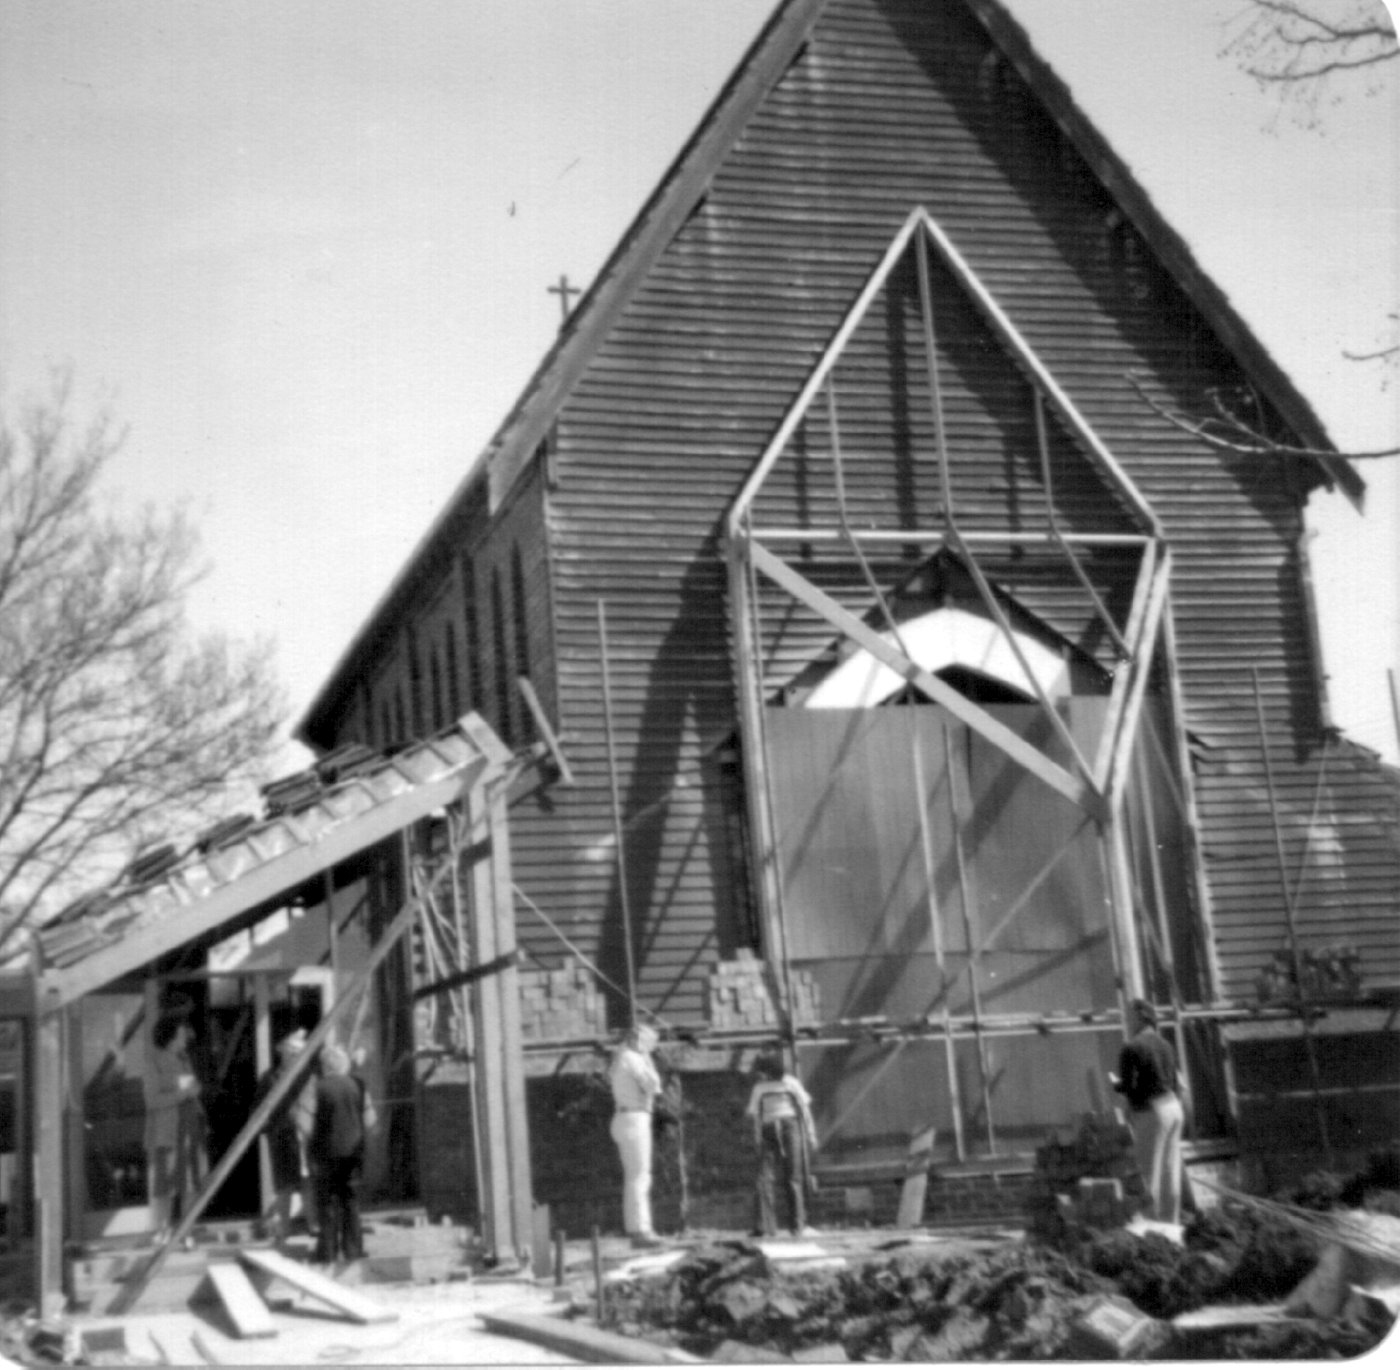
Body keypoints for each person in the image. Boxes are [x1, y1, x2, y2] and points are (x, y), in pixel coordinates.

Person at [1110, 998, 1186, 1224]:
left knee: (1147, 1173)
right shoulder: (1166, 1045)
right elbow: (1175, 1082)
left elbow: (1128, 1087)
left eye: (1129, 1015)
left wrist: (1115, 1085)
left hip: (1152, 1113)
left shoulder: (1131, 1047)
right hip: (1173, 1108)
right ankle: (1171, 1224)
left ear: (1141, 1016)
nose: (1126, 1019)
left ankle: (1151, 1227)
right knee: (1170, 1171)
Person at [144, 1012, 208, 1228]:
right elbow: (151, 1100)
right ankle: (161, 1233)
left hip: (190, 1129)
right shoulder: (154, 1060)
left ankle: (186, 1232)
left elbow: (189, 1088)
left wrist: (196, 1092)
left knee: (191, 1183)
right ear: (169, 1037)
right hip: (168, 1133)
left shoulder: (184, 1059)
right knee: (166, 1186)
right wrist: (183, 1095)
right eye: (181, 1034)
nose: (185, 1039)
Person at [308, 1045, 371, 1264]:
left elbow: (306, 1123)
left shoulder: (317, 1088)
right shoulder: (359, 1085)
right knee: (351, 1201)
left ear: (325, 1065)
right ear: (344, 1064)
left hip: (325, 1152)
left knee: (327, 1203)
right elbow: (371, 1120)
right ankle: (353, 1251)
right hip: (353, 1151)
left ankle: (327, 1252)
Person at [252, 1028, 316, 1243]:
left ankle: (313, 1224)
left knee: (308, 1181)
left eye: (299, 1053)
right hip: (281, 1135)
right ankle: (284, 1229)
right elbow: (258, 1109)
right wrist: (266, 1127)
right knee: (284, 1185)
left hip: (306, 1134)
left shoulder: (310, 1075)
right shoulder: (270, 1078)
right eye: (292, 1052)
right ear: (284, 1053)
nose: (296, 1056)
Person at [745, 1053, 818, 1237]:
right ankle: (764, 1226)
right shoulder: (759, 1088)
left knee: (794, 1176)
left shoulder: (790, 1083)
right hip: (768, 1129)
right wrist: (757, 1137)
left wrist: (810, 1134)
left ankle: (798, 1225)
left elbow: (805, 1110)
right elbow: (756, 1115)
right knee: (764, 1178)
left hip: (790, 1127)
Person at [608, 1023, 663, 1248]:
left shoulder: (621, 1056)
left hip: (625, 1116)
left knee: (634, 1177)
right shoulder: (633, 1058)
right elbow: (653, 1085)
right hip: (635, 1118)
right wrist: (649, 1060)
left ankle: (636, 1227)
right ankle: (641, 1229)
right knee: (640, 1176)